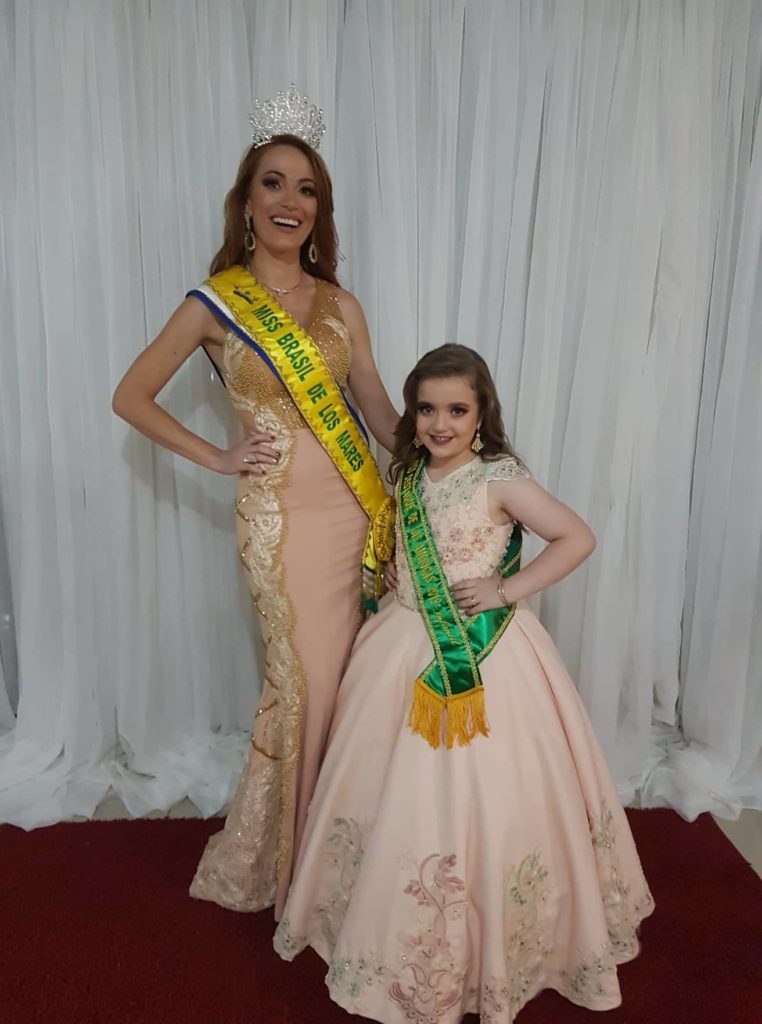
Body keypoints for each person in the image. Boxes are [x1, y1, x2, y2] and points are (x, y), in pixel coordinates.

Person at [274, 344, 654, 1023]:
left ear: (481, 415)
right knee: (384, 789)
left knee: (490, 792)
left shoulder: (500, 478)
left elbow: (577, 537)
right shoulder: (409, 475)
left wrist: (505, 589)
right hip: (399, 647)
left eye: (456, 410)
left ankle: (496, 947)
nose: (440, 424)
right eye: (427, 409)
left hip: (485, 658)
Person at [112, 86, 398, 918]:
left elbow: (379, 415)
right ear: (246, 201)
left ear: (320, 210)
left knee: (355, 680)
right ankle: (291, 865)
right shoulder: (214, 303)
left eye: (307, 189)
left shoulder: (342, 304)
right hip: (279, 522)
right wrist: (218, 456)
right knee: (301, 682)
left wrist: (447, 463)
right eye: (274, 183)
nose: (290, 201)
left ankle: (349, 849)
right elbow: (131, 396)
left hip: (357, 513)